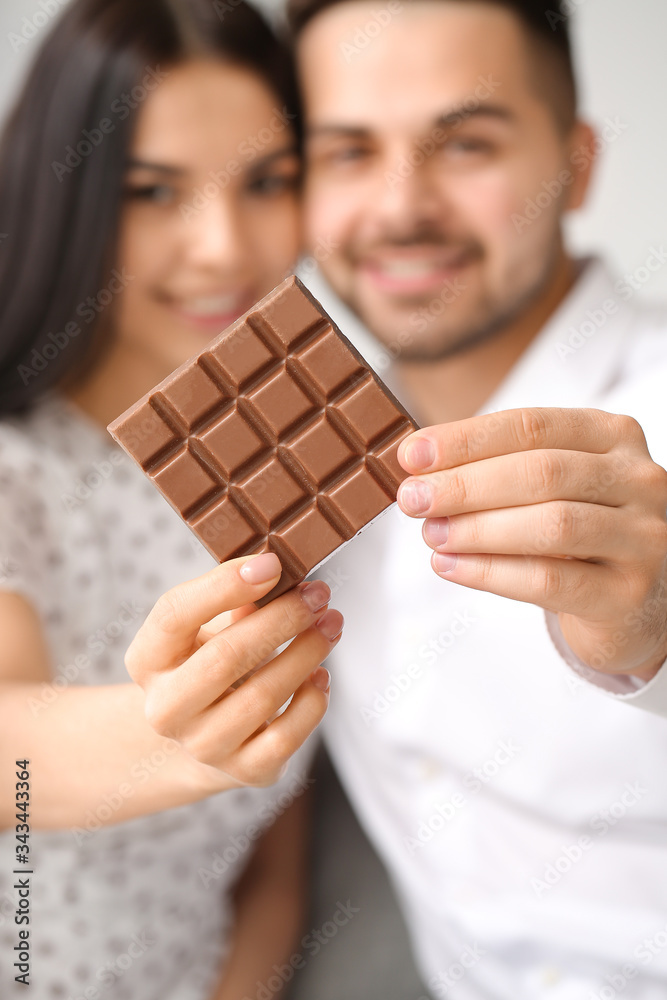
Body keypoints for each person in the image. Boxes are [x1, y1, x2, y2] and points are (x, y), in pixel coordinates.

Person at [287, 0, 667, 996]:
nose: (401, 206)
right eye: (349, 152)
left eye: (465, 144)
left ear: (577, 164)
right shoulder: (294, 465)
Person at [0, 1, 342, 997]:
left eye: (268, 182)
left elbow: (276, 852)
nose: (223, 248)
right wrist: (176, 732)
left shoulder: (309, 460)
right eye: (154, 192)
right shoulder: (17, 463)